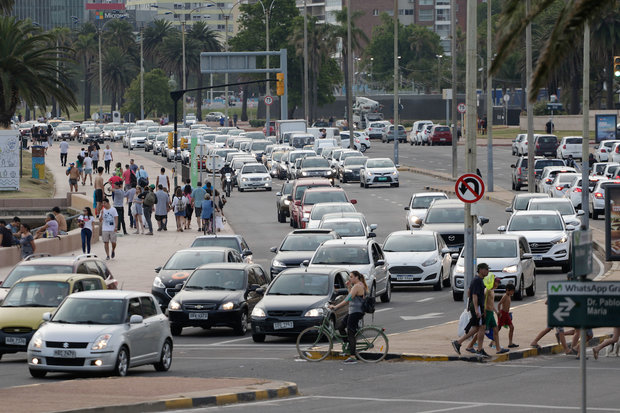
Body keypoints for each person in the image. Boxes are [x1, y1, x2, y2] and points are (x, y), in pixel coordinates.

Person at [329, 270, 368, 364]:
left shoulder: (358, 286)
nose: (349, 278)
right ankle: (348, 345)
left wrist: (335, 307)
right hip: (353, 311)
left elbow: (348, 299)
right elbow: (353, 296)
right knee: (341, 327)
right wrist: (348, 286)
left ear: (356, 277)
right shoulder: (359, 285)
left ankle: (353, 356)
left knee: (351, 332)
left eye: (351, 277)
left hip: (356, 312)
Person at [452, 263, 490, 357]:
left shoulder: (478, 280)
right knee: (482, 327)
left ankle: (458, 342)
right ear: (480, 270)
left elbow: (469, 291)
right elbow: (474, 295)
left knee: (477, 328)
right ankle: (479, 350)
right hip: (477, 308)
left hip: (478, 307)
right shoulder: (477, 280)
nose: (487, 271)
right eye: (486, 269)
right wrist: (477, 309)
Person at [483, 276, 509, 354]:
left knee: (495, 329)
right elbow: (483, 301)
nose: (498, 284)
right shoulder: (487, 290)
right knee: (481, 330)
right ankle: (469, 345)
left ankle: (498, 348)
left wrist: (496, 311)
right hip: (487, 312)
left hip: (490, 312)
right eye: (496, 282)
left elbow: (491, 303)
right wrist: (484, 311)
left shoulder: (492, 290)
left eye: (498, 282)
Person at [497, 283, 519, 348]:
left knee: (512, 327)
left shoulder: (509, 296)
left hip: (506, 314)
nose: (513, 292)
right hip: (503, 313)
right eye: (512, 291)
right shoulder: (505, 296)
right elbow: (499, 304)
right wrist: (499, 312)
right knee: (498, 328)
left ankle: (510, 343)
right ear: (508, 290)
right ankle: (492, 341)